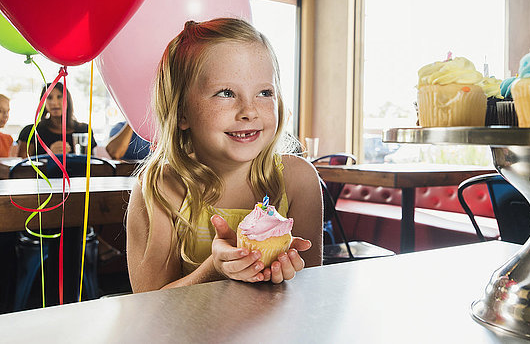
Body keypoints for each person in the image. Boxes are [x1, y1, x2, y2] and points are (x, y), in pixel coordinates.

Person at [126, 18, 323, 293]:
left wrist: (290, 273)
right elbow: (147, 303)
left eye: (265, 92)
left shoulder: (298, 179)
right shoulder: (161, 189)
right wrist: (214, 268)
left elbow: (314, 291)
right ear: (182, 112)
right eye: (226, 93)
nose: (249, 111)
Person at [16, 82, 97, 158]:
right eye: (49, 98)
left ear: (67, 100)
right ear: (43, 102)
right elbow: (22, 169)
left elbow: (93, 165)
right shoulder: (31, 131)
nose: (54, 102)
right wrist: (49, 154)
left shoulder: (84, 130)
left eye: (59, 97)